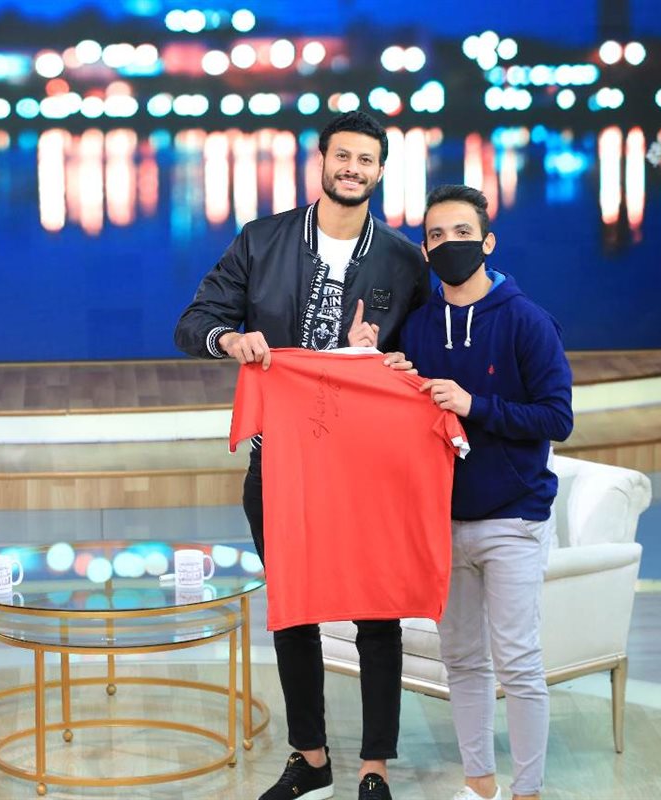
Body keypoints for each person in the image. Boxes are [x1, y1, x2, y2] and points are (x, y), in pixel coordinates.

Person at [175, 111, 427, 800]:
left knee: (378, 611)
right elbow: (193, 322)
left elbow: (426, 358)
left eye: (366, 160)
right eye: (342, 156)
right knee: (293, 609)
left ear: (380, 171)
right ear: (321, 161)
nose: (352, 169)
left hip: (367, 465)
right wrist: (231, 340)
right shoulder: (262, 239)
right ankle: (310, 758)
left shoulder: (404, 260)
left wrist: (390, 358)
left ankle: (375, 767)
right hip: (281, 461)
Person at [400, 185, 573, 800]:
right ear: (425, 250)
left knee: (519, 663)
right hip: (442, 522)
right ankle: (480, 787)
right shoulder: (417, 327)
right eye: (436, 236)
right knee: (463, 662)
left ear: (488, 242)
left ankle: (527, 792)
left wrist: (475, 405)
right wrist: (376, 365)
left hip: (513, 519)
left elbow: (557, 418)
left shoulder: (527, 321)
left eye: (462, 233)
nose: (450, 244)